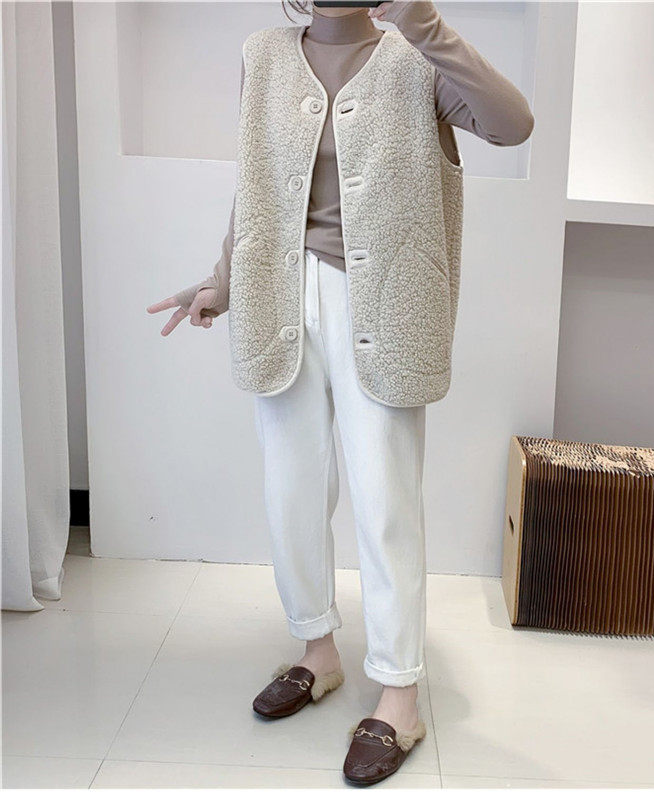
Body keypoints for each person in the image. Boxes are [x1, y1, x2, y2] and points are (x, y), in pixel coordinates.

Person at [147, 0, 533, 786]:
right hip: (278, 298)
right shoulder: (262, 54)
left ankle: (400, 693)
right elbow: (257, 185)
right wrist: (222, 280)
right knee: (290, 488)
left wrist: (425, 24)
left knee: (385, 498)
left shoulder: (418, 58)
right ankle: (317, 650)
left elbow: (513, 124)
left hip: (385, 303)